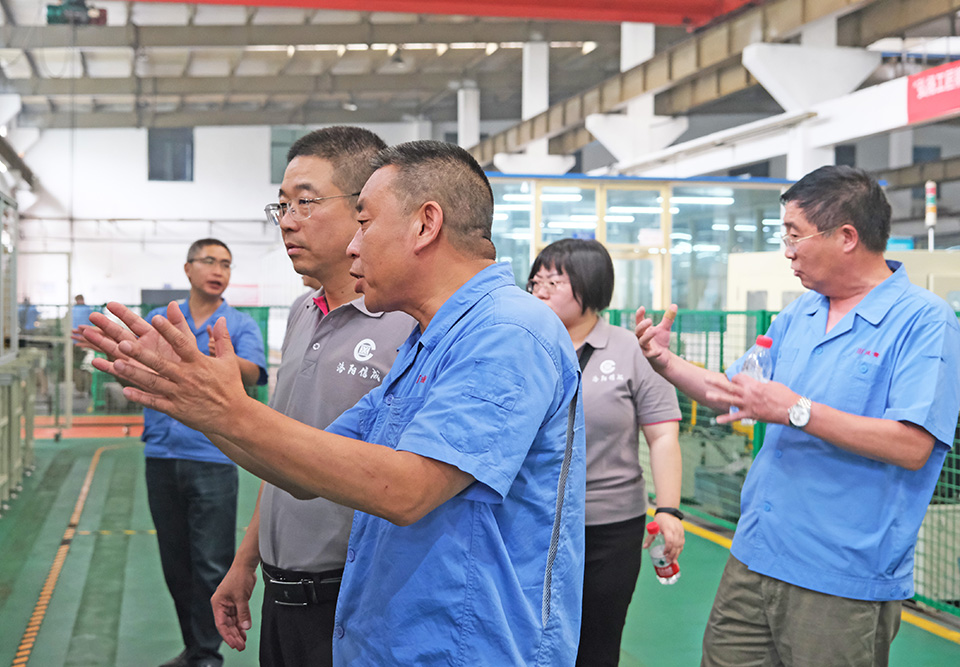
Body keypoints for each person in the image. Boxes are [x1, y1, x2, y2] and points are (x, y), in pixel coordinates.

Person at [82, 140, 586, 665]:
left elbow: (407, 489)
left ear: (425, 224)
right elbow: (304, 472)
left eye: (364, 223)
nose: (353, 246)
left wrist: (229, 409)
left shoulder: (507, 332)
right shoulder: (426, 342)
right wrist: (197, 405)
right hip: (393, 639)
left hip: (467, 648)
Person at [635, 165, 960, 666]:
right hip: (754, 555)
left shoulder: (923, 320)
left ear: (846, 237)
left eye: (794, 234)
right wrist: (666, 361)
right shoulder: (800, 314)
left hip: (841, 576)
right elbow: (734, 394)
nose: (787, 251)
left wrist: (796, 411)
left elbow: (912, 445)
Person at [211, 127, 414, 667]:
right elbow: (283, 451)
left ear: (365, 208)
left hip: (356, 604)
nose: (287, 220)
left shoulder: (406, 325)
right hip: (281, 596)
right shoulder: (303, 312)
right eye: (281, 205)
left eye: (305, 201)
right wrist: (246, 562)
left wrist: (216, 410)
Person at [528, 238, 683, 667]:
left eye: (553, 282)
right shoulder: (524, 345)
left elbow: (663, 436)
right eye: (535, 281)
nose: (539, 291)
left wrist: (669, 510)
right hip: (533, 519)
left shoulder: (633, 349)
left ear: (590, 286)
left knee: (596, 640)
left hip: (608, 527)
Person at [143, 239, 268, 667]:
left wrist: (224, 361)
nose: (219, 270)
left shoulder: (237, 325)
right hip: (161, 454)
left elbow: (254, 371)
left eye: (226, 264)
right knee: (175, 562)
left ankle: (208, 655)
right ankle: (194, 648)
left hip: (212, 455)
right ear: (188, 268)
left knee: (211, 562)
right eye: (210, 261)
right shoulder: (161, 320)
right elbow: (137, 364)